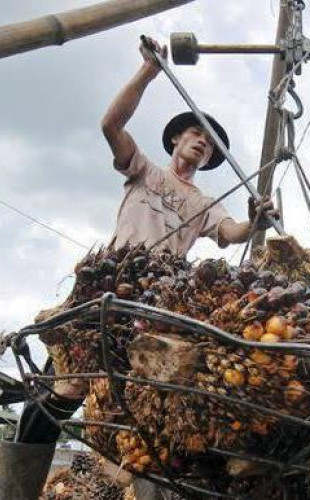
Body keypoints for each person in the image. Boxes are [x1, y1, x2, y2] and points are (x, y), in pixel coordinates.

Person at [0, 37, 279, 500]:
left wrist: (254, 218)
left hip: (156, 305)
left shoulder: (204, 202)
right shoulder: (144, 171)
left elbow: (230, 233)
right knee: (58, 396)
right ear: (175, 138)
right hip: (105, 293)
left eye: (210, 146)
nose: (202, 145)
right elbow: (110, 123)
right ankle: (15, 489)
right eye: (196, 135)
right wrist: (148, 72)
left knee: (152, 408)